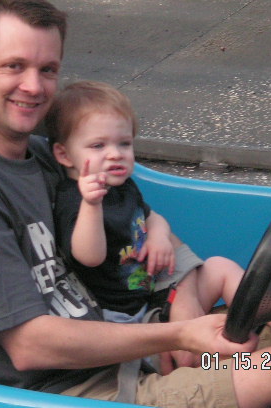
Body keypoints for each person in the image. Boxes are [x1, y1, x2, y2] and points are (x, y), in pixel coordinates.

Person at [0, 0, 271, 408]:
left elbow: (137, 227)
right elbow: (30, 347)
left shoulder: (45, 156)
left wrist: (182, 301)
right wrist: (177, 333)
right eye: (14, 67)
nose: (34, 86)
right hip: (65, 390)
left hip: (125, 343)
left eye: (47, 70)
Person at [45, 80, 244, 369]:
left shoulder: (122, 186)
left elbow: (150, 216)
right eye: (98, 145)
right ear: (65, 155)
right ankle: (234, 366)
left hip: (154, 298)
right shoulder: (75, 200)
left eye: (123, 143)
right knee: (190, 352)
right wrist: (91, 205)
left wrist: (159, 236)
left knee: (221, 267)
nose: (115, 153)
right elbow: (89, 256)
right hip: (127, 325)